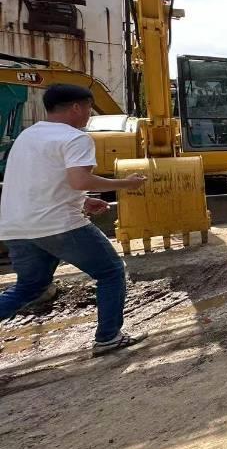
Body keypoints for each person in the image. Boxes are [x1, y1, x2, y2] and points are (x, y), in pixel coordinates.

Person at [0, 84, 148, 355]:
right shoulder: (76, 138)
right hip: (57, 225)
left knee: (29, 287)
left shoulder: (27, 136)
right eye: (89, 108)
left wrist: (83, 201)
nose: (89, 114)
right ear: (77, 107)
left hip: (16, 226)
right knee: (111, 272)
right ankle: (108, 337)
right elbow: (79, 179)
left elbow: (44, 180)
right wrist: (125, 184)